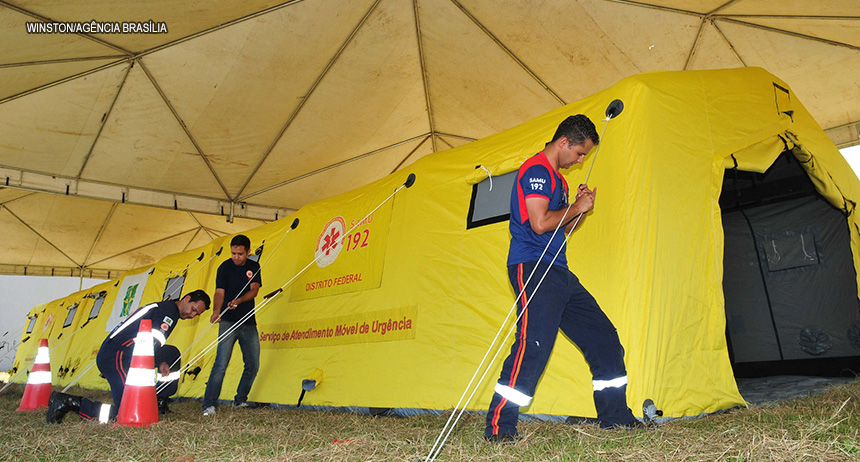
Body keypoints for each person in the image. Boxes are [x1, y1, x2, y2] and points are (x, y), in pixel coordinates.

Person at [484, 114, 638, 442]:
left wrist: (581, 208)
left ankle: (616, 419)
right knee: (534, 346)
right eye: (580, 153)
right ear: (564, 142)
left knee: (604, 338)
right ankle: (500, 428)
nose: (581, 161)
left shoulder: (560, 180)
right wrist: (575, 206)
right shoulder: (536, 170)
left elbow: (563, 229)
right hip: (533, 267)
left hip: (559, 270)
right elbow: (540, 223)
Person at [46, 290, 210, 423]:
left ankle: (159, 401)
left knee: (171, 353)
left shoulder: (165, 307)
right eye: (193, 309)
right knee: (129, 411)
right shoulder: (169, 312)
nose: (192, 315)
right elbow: (152, 343)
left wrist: (161, 360)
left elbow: (149, 343)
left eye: (197, 314)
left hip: (124, 352)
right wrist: (157, 361)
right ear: (187, 298)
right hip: (116, 356)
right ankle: (69, 403)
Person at [202, 234, 262, 416]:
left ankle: (240, 399)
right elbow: (219, 292)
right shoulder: (224, 267)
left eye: (240, 253)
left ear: (248, 252)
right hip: (228, 321)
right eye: (234, 253)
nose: (236, 257)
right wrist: (216, 311)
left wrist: (239, 300)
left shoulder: (254, 266)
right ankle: (209, 404)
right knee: (221, 363)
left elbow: (254, 290)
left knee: (252, 363)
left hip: (248, 322)